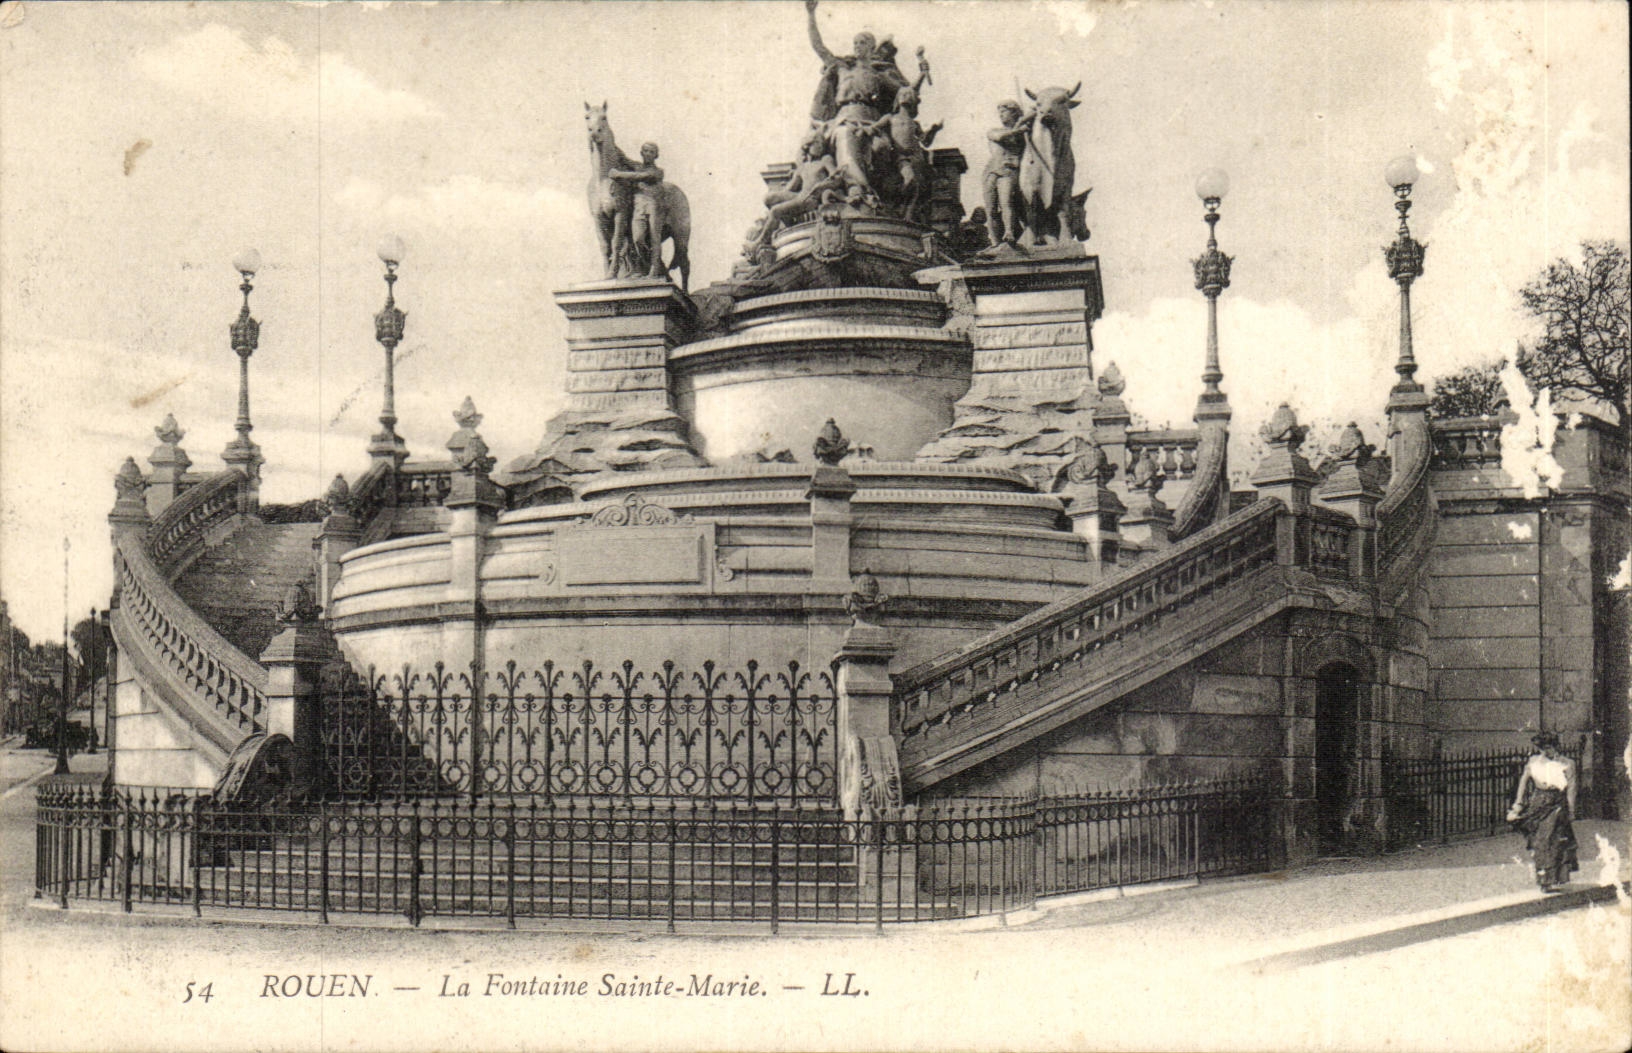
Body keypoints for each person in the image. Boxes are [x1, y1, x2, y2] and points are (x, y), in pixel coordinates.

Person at [1507, 732, 1579, 892]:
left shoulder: (1567, 763)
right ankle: (1544, 880)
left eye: (1548, 748)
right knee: (1538, 842)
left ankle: (1552, 879)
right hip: (1538, 802)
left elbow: (1572, 788)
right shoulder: (1533, 761)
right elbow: (1523, 782)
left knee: (1552, 840)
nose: (1544, 752)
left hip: (1557, 804)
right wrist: (1518, 803)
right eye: (1541, 748)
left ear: (1555, 746)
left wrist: (1571, 810)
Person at [608, 142, 667, 277]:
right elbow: (623, 158)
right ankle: (645, 265)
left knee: (654, 238)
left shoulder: (658, 172)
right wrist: (611, 142)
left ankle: (654, 270)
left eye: (651, 152)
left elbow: (640, 176)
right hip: (639, 206)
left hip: (654, 205)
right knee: (637, 238)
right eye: (645, 151)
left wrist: (618, 175)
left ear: (656, 155)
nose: (648, 154)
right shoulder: (637, 166)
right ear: (641, 152)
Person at [982, 99, 1035, 246]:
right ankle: (994, 241)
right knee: (990, 208)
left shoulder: (1022, 136)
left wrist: (1030, 117)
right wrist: (1019, 129)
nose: (1001, 115)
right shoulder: (996, 131)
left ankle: (1009, 232)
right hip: (991, 171)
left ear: (1014, 113)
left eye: (1004, 111)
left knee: (1006, 202)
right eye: (999, 112)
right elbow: (998, 137)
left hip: (1009, 170)